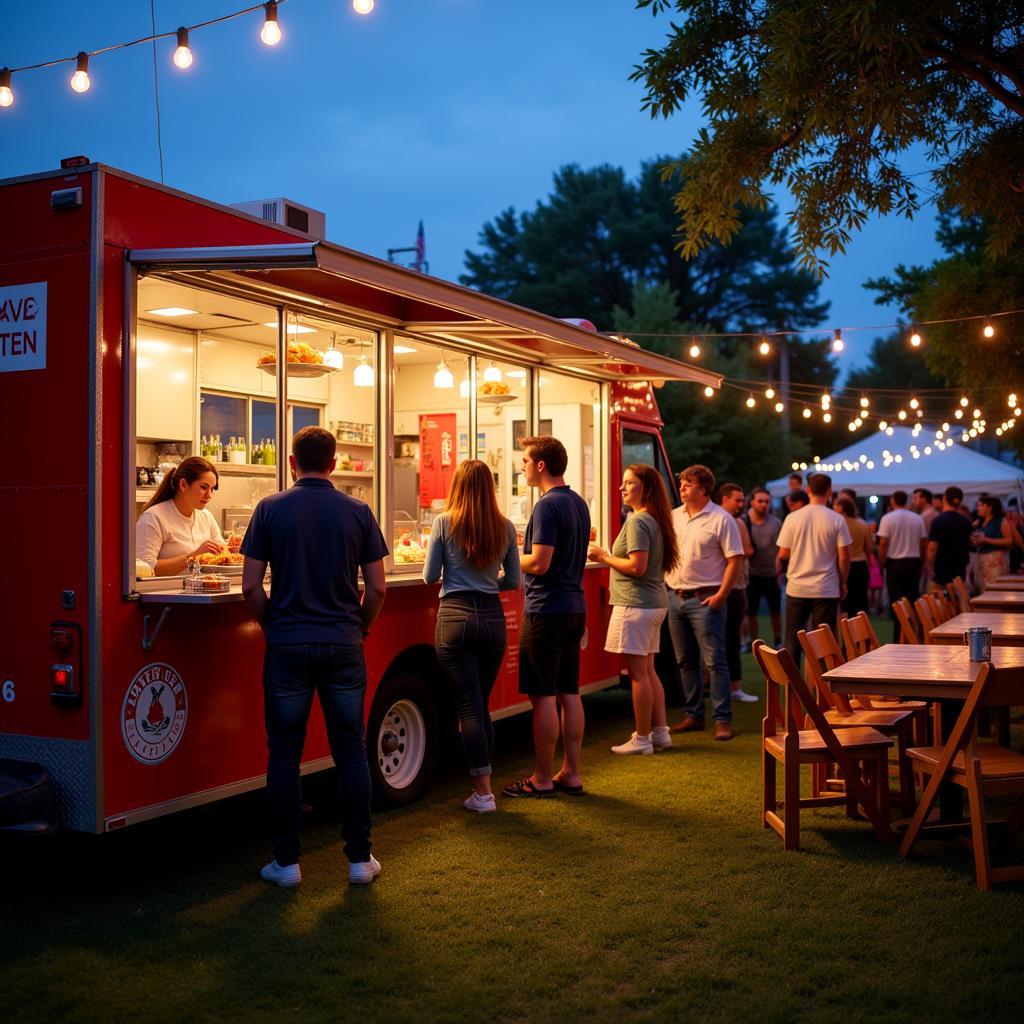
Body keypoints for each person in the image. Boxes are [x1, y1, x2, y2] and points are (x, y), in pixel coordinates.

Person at [241, 426, 388, 887]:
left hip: (287, 645)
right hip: (344, 643)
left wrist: (272, 625)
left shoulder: (269, 509)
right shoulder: (359, 511)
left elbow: (249, 584)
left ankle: (285, 864)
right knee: (351, 751)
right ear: (335, 462)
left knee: (284, 754)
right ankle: (360, 860)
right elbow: (379, 586)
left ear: (291, 462)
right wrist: (359, 626)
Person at [423, 460, 521, 812]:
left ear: (457, 486)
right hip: (493, 619)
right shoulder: (506, 527)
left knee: (469, 707)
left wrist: (460, 577)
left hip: (455, 617)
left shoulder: (443, 522)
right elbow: (513, 581)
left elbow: (429, 575)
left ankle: (483, 794)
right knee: (481, 705)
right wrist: (485, 582)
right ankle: (484, 788)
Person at [503, 436, 590, 798]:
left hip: (546, 609)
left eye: (524, 461)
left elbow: (539, 562)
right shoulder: (578, 503)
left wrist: (506, 554)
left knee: (542, 696)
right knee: (569, 692)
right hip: (574, 606)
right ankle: (570, 773)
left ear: (540, 465)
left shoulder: (546, 506)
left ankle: (540, 778)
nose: (520, 466)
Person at [587, 464, 679, 755]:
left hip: (636, 603)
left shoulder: (639, 522)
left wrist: (604, 556)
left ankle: (642, 738)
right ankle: (660, 732)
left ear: (645, 488)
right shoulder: (655, 519)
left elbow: (637, 567)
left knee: (638, 674)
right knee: (649, 671)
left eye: (629, 483)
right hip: (652, 603)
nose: (621, 488)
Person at [665, 464, 743, 741]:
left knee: (714, 662)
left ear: (704, 488)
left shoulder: (721, 519)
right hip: (675, 596)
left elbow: (735, 559)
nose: (682, 487)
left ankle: (722, 719)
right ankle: (694, 714)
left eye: (688, 483)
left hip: (705, 598)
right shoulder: (674, 516)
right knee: (685, 662)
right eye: (682, 483)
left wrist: (722, 595)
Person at [776, 473, 851, 663]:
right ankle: (824, 689)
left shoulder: (792, 518)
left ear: (807, 490)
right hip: (826, 587)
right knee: (824, 641)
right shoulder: (837, 519)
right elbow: (844, 557)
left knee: (792, 639)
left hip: (797, 586)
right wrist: (842, 582)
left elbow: (783, 553)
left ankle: (792, 688)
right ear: (829, 492)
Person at [135, 456, 231, 575]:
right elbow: (144, 570)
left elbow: (223, 554)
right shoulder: (153, 517)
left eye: (212, 489)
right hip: (164, 592)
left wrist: (233, 550)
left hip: (200, 590)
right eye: (204, 487)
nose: (209, 495)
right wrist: (193, 557)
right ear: (183, 485)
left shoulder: (206, 517)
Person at [718, 483, 758, 702]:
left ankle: (735, 687)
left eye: (743, 500)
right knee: (715, 641)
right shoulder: (717, 520)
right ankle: (716, 686)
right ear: (725, 499)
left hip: (736, 587)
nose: (741, 504)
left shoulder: (739, 522)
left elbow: (748, 550)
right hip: (716, 587)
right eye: (738, 500)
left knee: (731, 639)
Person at [877, 490, 927, 642]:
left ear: (893, 501)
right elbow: (923, 542)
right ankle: (912, 636)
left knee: (897, 603)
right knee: (911, 601)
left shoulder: (887, 518)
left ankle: (899, 636)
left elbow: (883, 543)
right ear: (906, 501)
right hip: (913, 562)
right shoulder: (917, 518)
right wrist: (921, 561)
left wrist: (881, 562)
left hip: (895, 564)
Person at [744, 487, 783, 648]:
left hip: (771, 574)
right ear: (752, 502)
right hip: (751, 574)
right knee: (750, 612)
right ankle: (754, 643)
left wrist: (779, 571)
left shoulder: (776, 522)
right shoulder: (743, 522)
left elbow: (782, 548)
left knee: (776, 611)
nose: (763, 504)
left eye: (766, 501)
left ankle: (778, 641)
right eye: (760, 501)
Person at [925, 486, 972, 592]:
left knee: (937, 605)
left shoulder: (938, 521)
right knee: (957, 605)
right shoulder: (966, 521)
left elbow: (932, 548)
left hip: (940, 573)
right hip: (959, 573)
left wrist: (929, 566)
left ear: (944, 498)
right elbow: (970, 543)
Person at [835, 495, 873, 615]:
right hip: (861, 565)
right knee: (861, 602)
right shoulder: (863, 525)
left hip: (844, 566)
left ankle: (846, 631)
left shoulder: (838, 525)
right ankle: (862, 631)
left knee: (845, 604)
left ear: (843, 510)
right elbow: (869, 549)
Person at [973, 494, 1014, 590]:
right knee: (983, 590)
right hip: (982, 562)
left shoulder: (1002, 521)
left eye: (980, 505)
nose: (978, 508)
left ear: (990, 507)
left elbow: (1009, 541)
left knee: (995, 591)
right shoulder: (980, 522)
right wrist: (975, 541)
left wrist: (985, 540)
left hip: (995, 564)